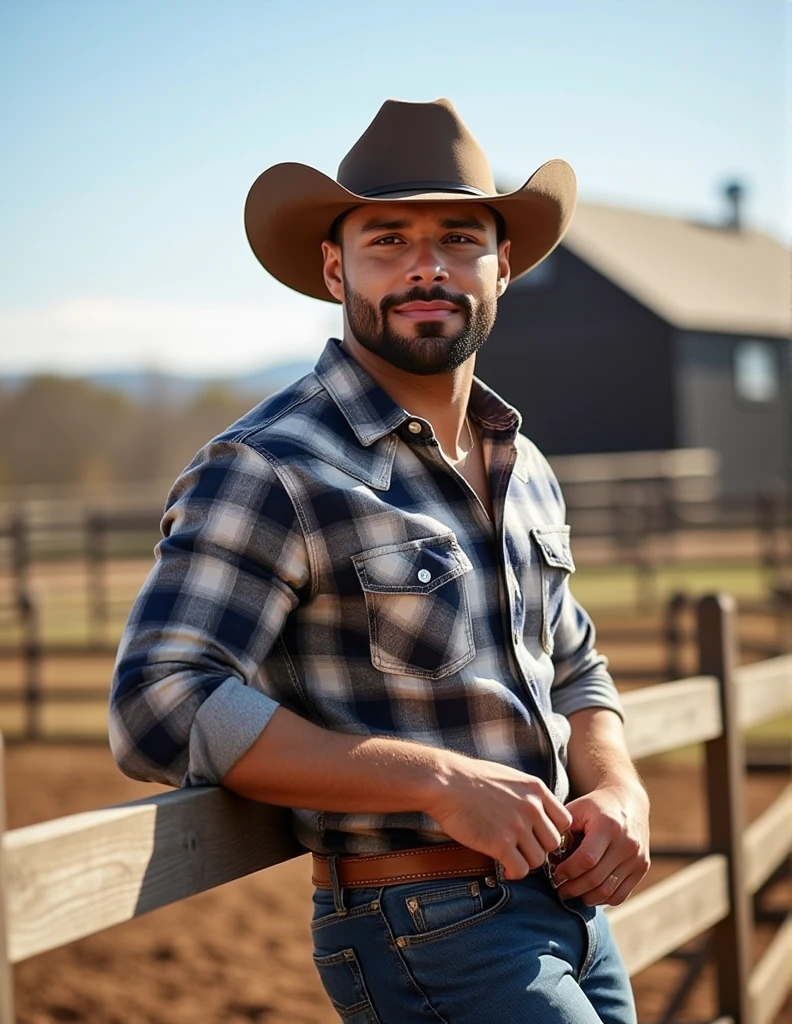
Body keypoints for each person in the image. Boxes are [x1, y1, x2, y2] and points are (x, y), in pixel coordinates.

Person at [110, 97, 650, 1023]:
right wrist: (435, 781)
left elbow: (576, 666)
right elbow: (158, 700)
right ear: (335, 268)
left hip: (579, 912)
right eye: (389, 240)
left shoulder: (523, 465)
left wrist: (618, 787)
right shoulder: (273, 466)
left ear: (503, 265)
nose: (427, 267)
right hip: (430, 925)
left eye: (459, 239)